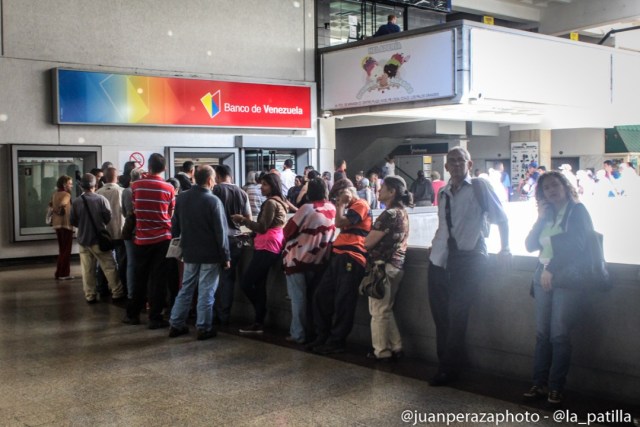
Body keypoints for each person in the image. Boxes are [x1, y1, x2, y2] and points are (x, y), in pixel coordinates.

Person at [428, 147, 511, 386]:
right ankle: (450, 363)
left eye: (460, 160)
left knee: (457, 315)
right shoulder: (443, 192)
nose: (455, 164)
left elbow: (501, 218)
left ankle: (447, 369)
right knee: (441, 317)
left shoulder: (479, 187)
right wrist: (436, 246)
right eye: (451, 161)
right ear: (445, 167)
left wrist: (505, 248)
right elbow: (444, 225)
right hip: (439, 259)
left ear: (469, 164)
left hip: (469, 259)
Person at [523, 171, 594, 406]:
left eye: (555, 185)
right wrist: (540, 218)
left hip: (565, 278)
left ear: (565, 186)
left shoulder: (577, 211)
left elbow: (577, 245)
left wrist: (551, 268)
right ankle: (538, 383)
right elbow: (530, 245)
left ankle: (556, 387)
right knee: (542, 334)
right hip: (541, 275)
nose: (551, 191)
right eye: (546, 188)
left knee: (559, 334)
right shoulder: (548, 213)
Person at [308, 179, 372, 355]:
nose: (337, 200)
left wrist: (342, 204)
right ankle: (323, 335)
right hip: (338, 256)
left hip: (352, 257)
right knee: (321, 296)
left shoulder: (361, 204)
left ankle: (337, 341)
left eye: (338, 195)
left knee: (344, 301)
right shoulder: (350, 206)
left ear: (348, 192)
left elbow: (339, 222)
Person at [168, 165, 231, 341]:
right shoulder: (213, 201)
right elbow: (221, 233)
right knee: (206, 291)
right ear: (210, 180)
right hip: (210, 254)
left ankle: (176, 323)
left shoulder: (182, 198)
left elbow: (175, 226)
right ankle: (203, 327)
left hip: (188, 252)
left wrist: (178, 246)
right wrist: (225, 256)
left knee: (186, 288)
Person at [123, 153, 175, 329]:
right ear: (165, 168)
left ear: (149, 166)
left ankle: (133, 315)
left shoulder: (136, 186)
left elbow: (135, 209)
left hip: (142, 238)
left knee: (140, 277)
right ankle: (155, 317)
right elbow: (170, 214)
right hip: (162, 239)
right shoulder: (169, 188)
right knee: (158, 279)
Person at [232, 173, 288, 334]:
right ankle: (258, 322)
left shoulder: (271, 203)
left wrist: (242, 220)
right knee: (260, 284)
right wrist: (250, 234)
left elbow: (263, 227)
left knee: (246, 282)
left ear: (273, 185)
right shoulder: (280, 201)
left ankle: (260, 312)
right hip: (271, 243)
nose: (261, 187)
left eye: (264, 184)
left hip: (267, 246)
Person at [282, 178, 336, 344]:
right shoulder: (332, 208)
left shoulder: (306, 208)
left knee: (298, 299)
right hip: (319, 259)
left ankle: (298, 334)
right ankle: (313, 332)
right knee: (313, 299)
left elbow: (287, 231)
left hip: (297, 259)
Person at [363, 176, 411, 361]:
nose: (379, 190)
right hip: (396, 266)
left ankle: (381, 352)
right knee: (386, 309)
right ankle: (396, 346)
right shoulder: (402, 212)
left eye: (383, 188)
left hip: (382, 268)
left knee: (377, 312)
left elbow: (368, 243)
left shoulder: (389, 214)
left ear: (392, 192)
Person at [70, 173, 125, 304]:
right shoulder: (101, 199)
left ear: (81, 186)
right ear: (95, 185)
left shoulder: (77, 202)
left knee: (87, 270)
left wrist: (83, 225)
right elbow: (107, 217)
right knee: (109, 267)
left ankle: (90, 295)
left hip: (84, 240)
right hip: (99, 240)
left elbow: (73, 220)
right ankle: (117, 293)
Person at [213, 164, 252, 326]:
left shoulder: (215, 191)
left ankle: (211, 314)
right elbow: (248, 218)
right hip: (236, 240)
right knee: (228, 279)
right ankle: (224, 316)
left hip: (216, 241)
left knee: (211, 278)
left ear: (218, 176)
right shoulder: (242, 193)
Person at [96, 167, 127, 294]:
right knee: (122, 261)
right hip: (120, 232)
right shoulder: (122, 191)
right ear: (117, 177)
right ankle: (122, 286)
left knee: (105, 263)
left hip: (104, 233)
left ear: (105, 177)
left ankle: (102, 287)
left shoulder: (98, 193)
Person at [121, 167, 143, 300]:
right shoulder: (141, 190)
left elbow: (124, 212)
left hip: (129, 230)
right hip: (142, 231)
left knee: (131, 263)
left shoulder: (126, 192)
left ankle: (131, 294)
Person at [50, 175, 74, 280]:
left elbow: (51, 206)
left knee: (62, 249)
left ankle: (59, 272)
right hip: (66, 224)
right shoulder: (66, 194)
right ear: (64, 184)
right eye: (70, 183)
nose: (71, 185)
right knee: (66, 250)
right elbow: (63, 204)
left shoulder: (55, 194)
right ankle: (64, 273)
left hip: (57, 224)